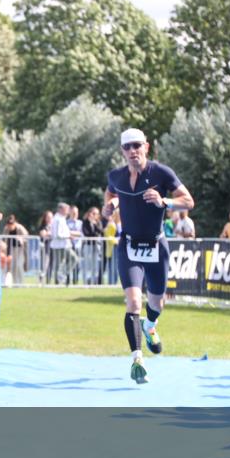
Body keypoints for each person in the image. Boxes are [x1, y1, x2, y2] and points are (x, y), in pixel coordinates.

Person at [102, 128, 194, 384]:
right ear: (122, 151)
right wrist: (109, 206)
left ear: (146, 147)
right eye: (127, 147)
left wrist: (165, 201)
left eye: (137, 146)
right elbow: (111, 193)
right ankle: (137, 359)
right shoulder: (116, 175)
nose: (133, 151)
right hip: (129, 246)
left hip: (156, 246)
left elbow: (189, 201)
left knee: (157, 303)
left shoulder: (161, 173)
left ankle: (150, 325)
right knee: (133, 302)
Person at [80, 206, 104, 285]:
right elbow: (86, 233)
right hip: (87, 245)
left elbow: (100, 231)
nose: (94, 215)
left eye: (96, 214)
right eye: (93, 213)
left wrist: (94, 224)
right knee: (87, 264)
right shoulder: (85, 222)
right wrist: (91, 224)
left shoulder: (98, 222)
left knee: (95, 265)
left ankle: (94, 282)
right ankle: (86, 282)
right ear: (89, 213)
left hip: (96, 246)